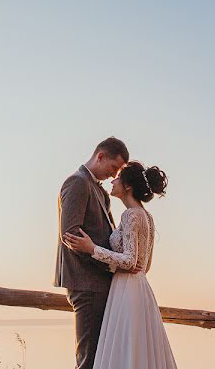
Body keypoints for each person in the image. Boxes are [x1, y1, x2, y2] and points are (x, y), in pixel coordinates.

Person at [63, 161, 177, 369]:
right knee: (137, 349)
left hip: (126, 291)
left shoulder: (131, 215)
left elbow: (130, 261)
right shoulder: (146, 216)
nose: (113, 180)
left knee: (124, 350)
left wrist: (92, 248)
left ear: (127, 186)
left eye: (118, 177)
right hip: (139, 288)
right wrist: (125, 266)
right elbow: (145, 265)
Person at [55, 137, 129, 369]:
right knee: (89, 360)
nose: (114, 174)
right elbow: (71, 235)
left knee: (99, 358)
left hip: (97, 284)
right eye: (114, 167)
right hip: (87, 283)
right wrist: (109, 264)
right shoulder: (78, 183)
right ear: (100, 156)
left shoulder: (96, 189)